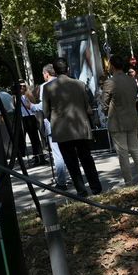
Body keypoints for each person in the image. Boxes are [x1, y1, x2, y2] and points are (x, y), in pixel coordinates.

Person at [43, 58, 103, 196]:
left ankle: (81, 191)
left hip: (62, 130)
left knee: (71, 162)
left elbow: (46, 112)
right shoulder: (79, 85)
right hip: (80, 127)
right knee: (86, 158)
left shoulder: (48, 88)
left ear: (55, 71)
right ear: (68, 69)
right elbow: (87, 105)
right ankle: (96, 187)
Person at [101, 55, 138, 185]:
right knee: (135, 150)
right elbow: (134, 96)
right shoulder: (131, 80)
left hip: (117, 121)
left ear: (113, 66)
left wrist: (106, 111)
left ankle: (128, 181)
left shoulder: (110, 82)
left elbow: (104, 103)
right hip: (132, 118)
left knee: (123, 153)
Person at [18, 81, 45, 166]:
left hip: (30, 117)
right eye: (19, 86)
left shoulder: (28, 95)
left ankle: (39, 157)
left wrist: (26, 94)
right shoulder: (16, 96)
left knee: (34, 138)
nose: (21, 88)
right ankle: (23, 157)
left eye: (23, 86)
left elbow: (31, 105)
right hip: (22, 118)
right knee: (22, 139)